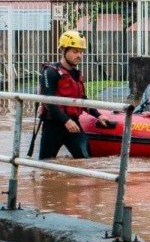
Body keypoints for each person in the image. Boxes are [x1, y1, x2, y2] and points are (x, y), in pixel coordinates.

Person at [38, 30, 111, 159]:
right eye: (75, 51)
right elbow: (48, 101)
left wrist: (98, 115)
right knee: (46, 165)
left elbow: (82, 100)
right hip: (53, 125)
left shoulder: (76, 74)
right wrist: (66, 121)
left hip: (74, 124)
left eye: (81, 52)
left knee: (85, 160)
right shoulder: (50, 72)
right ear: (64, 50)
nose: (79, 55)